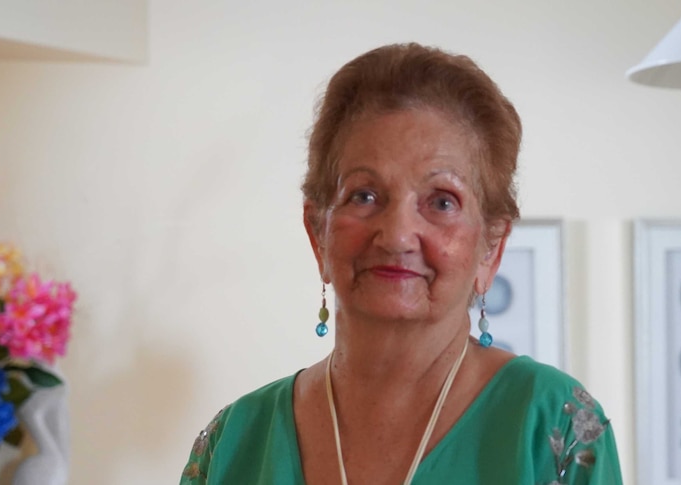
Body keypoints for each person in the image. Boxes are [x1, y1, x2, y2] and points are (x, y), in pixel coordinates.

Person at [181, 42, 622, 484]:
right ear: (318, 233)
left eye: (442, 202)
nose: (395, 235)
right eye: (364, 195)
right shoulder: (234, 442)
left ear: (491, 248)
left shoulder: (555, 429)